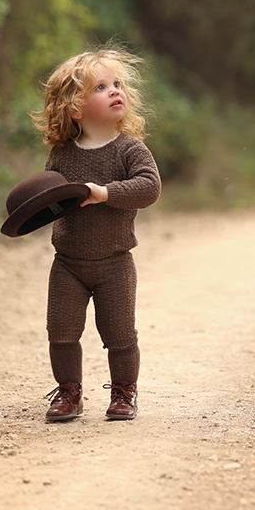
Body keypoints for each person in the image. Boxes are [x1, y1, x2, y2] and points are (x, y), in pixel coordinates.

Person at [29, 46, 161, 422]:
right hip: (67, 262)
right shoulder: (61, 154)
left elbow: (149, 188)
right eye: (101, 87)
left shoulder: (130, 150)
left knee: (119, 334)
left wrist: (105, 193)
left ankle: (124, 392)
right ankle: (69, 392)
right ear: (75, 108)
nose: (115, 90)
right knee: (61, 330)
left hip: (115, 263)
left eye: (117, 84)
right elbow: (52, 198)